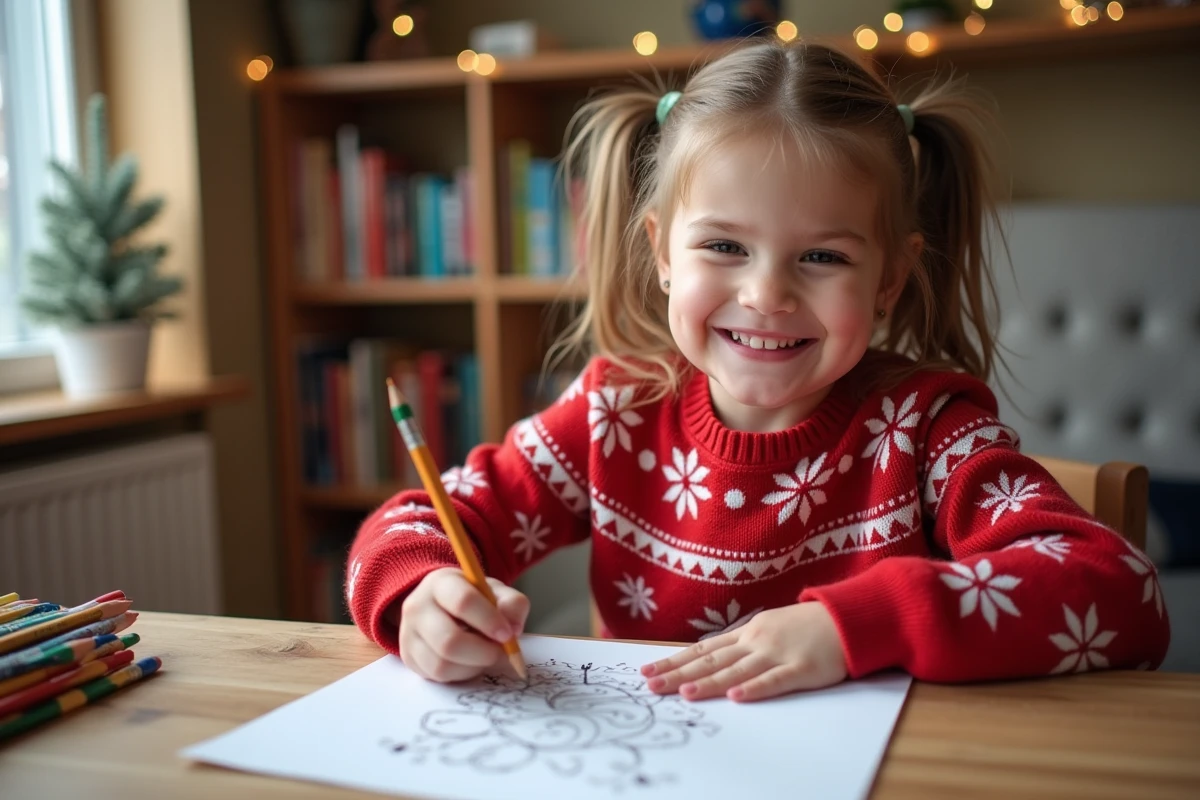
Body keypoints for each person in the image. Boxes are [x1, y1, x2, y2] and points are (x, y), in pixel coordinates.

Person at [345, 39, 1169, 703]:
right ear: (662, 252)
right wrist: (420, 595)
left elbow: (1119, 589)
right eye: (724, 247)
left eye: (821, 256)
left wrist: (853, 627)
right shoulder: (614, 413)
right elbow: (413, 523)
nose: (766, 294)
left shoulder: (924, 431)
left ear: (887, 277)